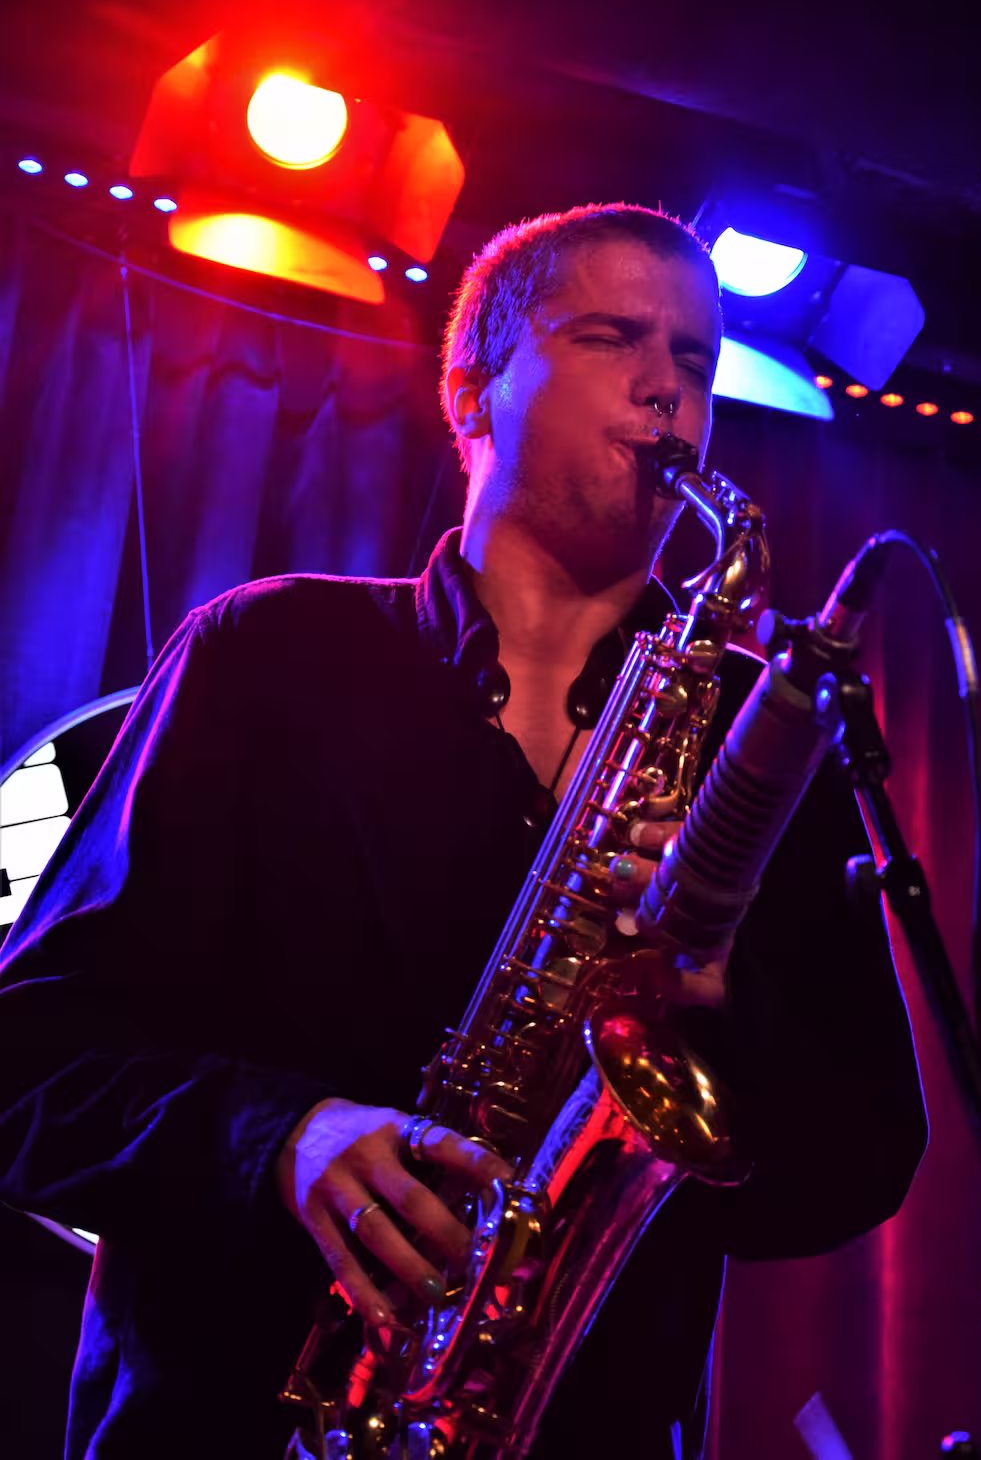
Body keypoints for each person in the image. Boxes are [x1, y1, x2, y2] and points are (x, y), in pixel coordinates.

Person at [0, 204, 926, 1459]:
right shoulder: (266, 657)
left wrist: (720, 1001)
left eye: (696, 360)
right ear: (474, 387)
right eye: (613, 337)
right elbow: (28, 1062)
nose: (670, 388)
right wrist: (283, 1136)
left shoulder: (757, 752)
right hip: (229, 1417)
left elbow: (864, 1159)